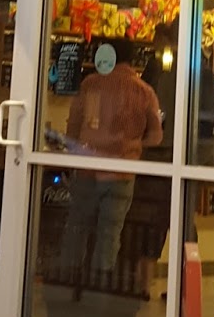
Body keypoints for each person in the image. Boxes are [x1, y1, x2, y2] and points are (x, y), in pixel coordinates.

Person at [59, 38, 163, 282]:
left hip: (87, 168)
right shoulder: (144, 91)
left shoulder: (90, 85)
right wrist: (134, 143)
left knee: (77, 227)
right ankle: (100, 283)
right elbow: (156, 137)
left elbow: (73, 129)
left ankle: (68, 279)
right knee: (109, 233)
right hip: (121, 172)